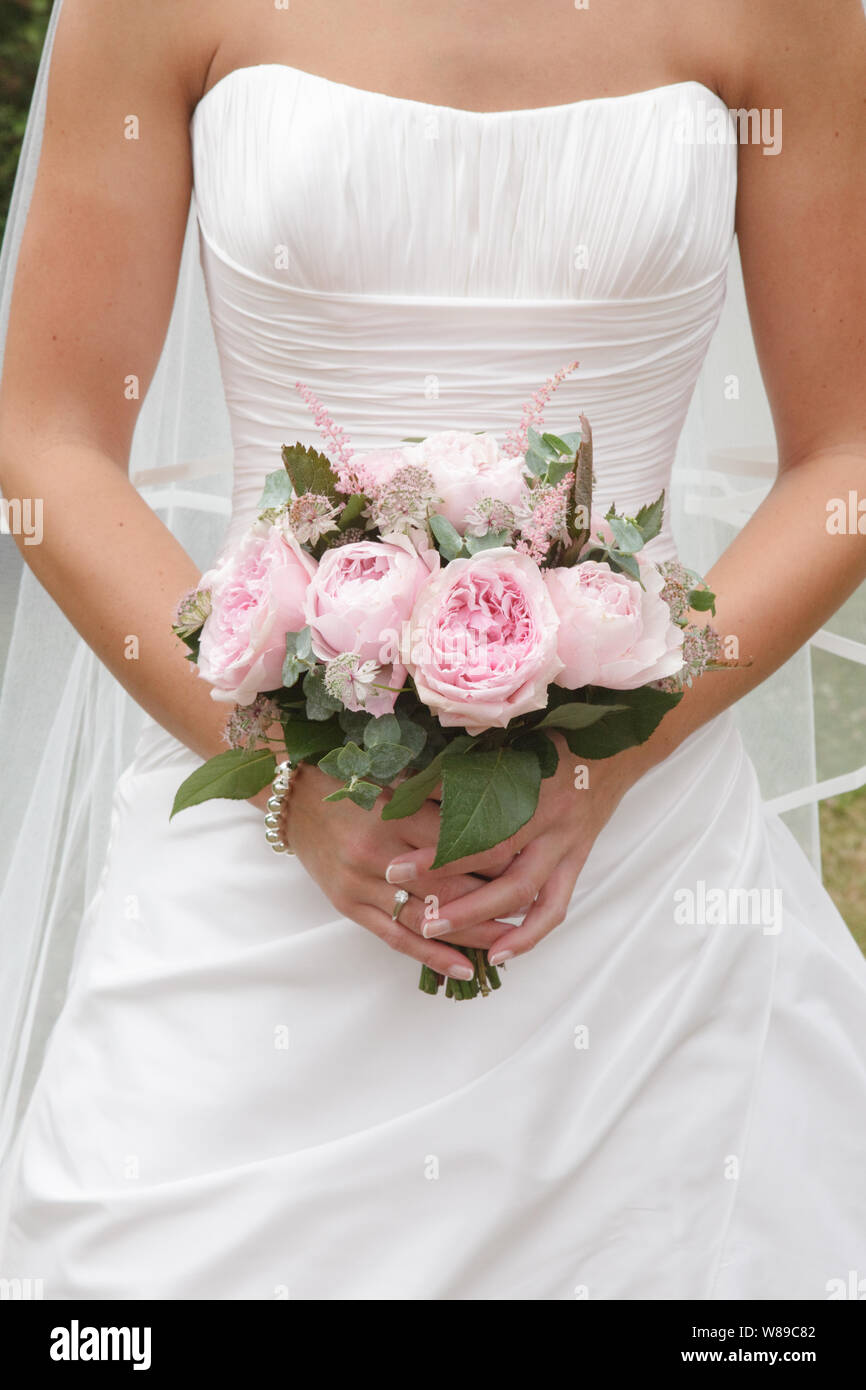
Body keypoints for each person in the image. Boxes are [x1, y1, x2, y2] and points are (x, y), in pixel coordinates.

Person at [0, 0, 864, 1299]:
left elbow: (846, 452)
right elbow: (47, 440)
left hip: (640, 890)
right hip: (256, 855)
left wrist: (602, 771)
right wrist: (286, 769)